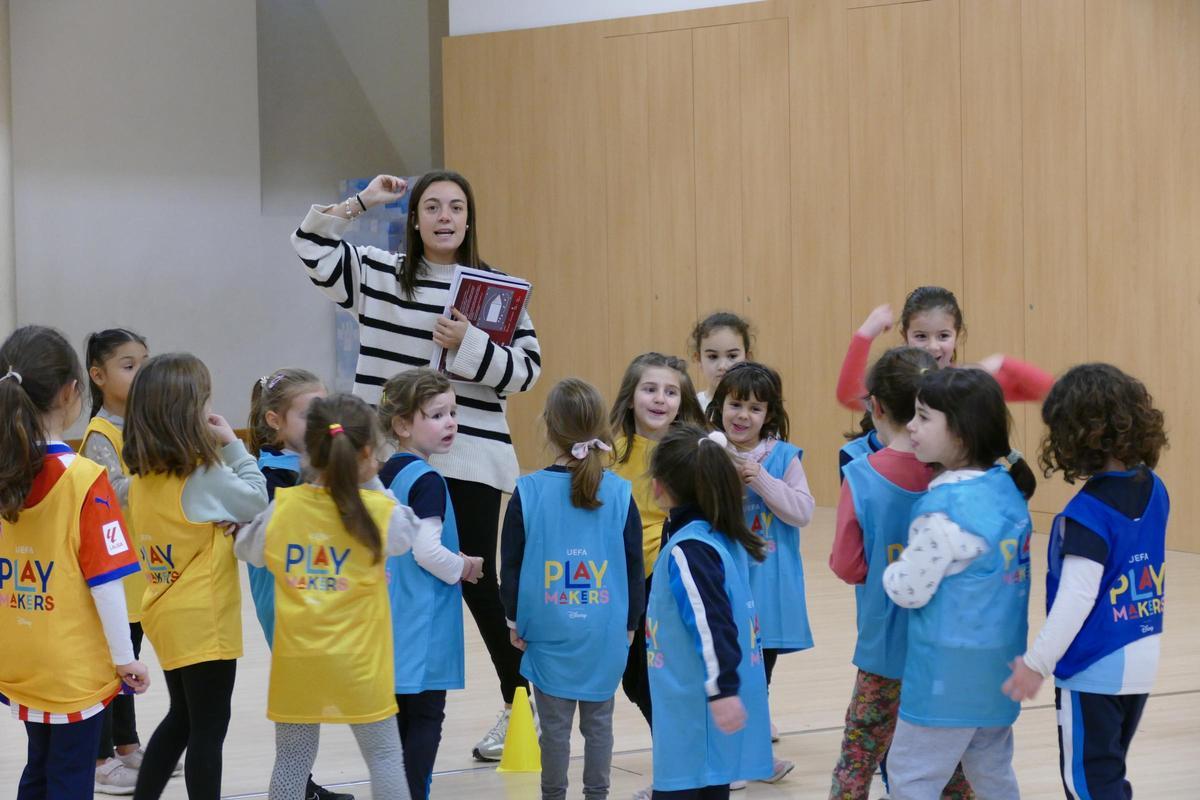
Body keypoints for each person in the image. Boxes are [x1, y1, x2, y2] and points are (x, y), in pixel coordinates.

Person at [292, 171, 542, 760]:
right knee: (393, 581)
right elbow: (310, 246)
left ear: (469, 218)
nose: (444, 216)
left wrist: (471, 343)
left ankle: (520, 701)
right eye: (431, 206)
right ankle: (395, 703)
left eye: (456, 206)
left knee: (476, 579)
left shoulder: (500, 290)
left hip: (473, 455)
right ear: (415, 219)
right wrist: (360, 203)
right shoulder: (379, 275)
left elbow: (526, 372)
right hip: (389, 461)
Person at [236, 393, 445, 800]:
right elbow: (409, 534)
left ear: (308, 449)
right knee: (385, 757)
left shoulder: (285, 508)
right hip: (360, 664)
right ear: (368, 453)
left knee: (292, 760)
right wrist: (369, 478)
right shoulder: (380, 511)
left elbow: (247, 549)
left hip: (298, 663)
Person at [1002, 363, 1169, 799]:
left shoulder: (1086, 515)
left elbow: (1076, 599)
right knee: (1108, 774)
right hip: (1142, 654)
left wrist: (1035, 665)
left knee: (1090, 785)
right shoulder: (1158, 489)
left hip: (1095, 667)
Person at [0, 325, 150, 799]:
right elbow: (106, 584)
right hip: (71, 667)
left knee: (39, 767)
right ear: (71, 392)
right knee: (69, 776)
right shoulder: (85, 479)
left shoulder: (6, 469)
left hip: (19, 655)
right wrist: (126, 658)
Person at [882, 368, 1036, 800]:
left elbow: (908, 589)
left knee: (912, 775)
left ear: (962, 434)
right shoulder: (1007, 490)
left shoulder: (943, 508)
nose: (910, 426)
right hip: (999, 668)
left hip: (946, 676)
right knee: (992, 771)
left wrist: (890, 571)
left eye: (923, 417)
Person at [124, 353, 269, 800]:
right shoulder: (203, 474)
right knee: (209, 728)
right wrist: (233, 445)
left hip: (165, 611)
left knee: (183, 718)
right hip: (204, 618)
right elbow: (257, 501)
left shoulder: (141, 476)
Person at [500, 378, 644, 800]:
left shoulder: (527, 491)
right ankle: (597, 795)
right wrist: (631, 622)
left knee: (555, 729)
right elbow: (636, 565)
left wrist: (513, 619)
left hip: (545, 627)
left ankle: (553, 795)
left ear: (549, 427)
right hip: (605, 629)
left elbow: (509, 566)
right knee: (600, 725)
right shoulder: (620, 491)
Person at [644, 425, 774, 798]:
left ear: (659, 485)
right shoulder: (713, 536)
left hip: (695, 716)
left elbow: (710, 623)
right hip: (699, 714)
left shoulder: (690, 550)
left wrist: (722, 690)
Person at [377, 368, 484, 798]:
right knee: (424, 720)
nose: (451, 422)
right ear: (403, 425)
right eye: (437, 414)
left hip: (389, 619)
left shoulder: (385, 475)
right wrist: (464, 568)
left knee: (397, 725)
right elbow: (427, 550)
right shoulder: (427, 480)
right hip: (422, 625)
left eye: (453, 412)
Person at [706, 361, 814, 784]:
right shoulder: (709, 451)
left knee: (759, 674)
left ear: (769, 415)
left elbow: (803, 512)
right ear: (720, 405)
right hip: (724, 583)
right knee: (727, 668)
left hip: (768, 586)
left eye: (754, 408)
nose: (742, 416)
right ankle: (731, 758)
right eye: (735, 404)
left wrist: (762, 480)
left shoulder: (784, 457)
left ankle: (750, 759)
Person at [83, 327, 157, 793]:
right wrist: (162, 473)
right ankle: (99, 756)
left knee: (131, 660)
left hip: (140, 570)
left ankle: (127, 746)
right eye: (129, 365)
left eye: (145, 363)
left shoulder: (145, 425)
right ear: (97, 376)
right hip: (113, 571)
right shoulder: (100, 433)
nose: (141, 372)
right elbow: (114, 492)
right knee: (112, 665)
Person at [688, 312, 752, 413]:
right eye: (713, 356)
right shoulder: (691, 408)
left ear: (747, 358)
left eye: (732, 356)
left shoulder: (758, 407)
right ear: (699, 359)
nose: (722, 366)